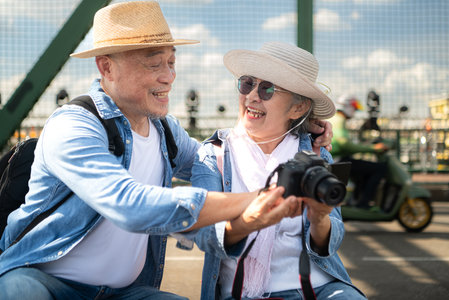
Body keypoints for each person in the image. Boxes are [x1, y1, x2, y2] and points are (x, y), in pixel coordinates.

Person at [0, 2, 333, 299]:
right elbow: (129, 205)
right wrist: (258, 198)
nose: (168, 77)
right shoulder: (73, 125)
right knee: (20, 291)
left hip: (126, 293)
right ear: (106, 68)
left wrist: (304, 127)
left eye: (171, 63)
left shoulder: (166, 132)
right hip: (46, 283)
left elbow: (224, 158)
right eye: (153, 64)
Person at [187, 42, 366, 300]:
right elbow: (203, 235)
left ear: (298, 108)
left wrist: (319, 218)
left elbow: (331, 241)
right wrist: (252, 221)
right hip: (241, 293)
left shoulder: (317, 153)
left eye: (267, 88)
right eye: (247, 83)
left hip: (318, 289)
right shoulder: (213, 155)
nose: (252, 96)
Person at [330, 94, 388, 209]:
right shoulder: (339, 120)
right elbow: (344, 145)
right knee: (380, 168)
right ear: (348, 107)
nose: (355, 112)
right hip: (337, 161)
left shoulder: (335, 118)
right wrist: (373, 149)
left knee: (363, 169)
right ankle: (363, 204)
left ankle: (355, 200)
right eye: (354, 109)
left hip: (335, 159)